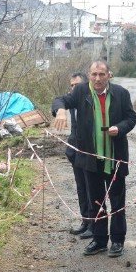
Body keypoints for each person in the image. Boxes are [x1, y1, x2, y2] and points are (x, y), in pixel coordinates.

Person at [53, 60, 136, 257]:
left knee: (117, 202)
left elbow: (131, 118)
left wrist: (120, 128)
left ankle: (117, 241)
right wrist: (61, 110)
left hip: (115, 158)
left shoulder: (121, 94)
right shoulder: (81, 92)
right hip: (90, 159)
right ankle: (99, 240)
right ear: (89, 75)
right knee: (96, 201)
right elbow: (60, 100)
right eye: (94, 74)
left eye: (101, 74)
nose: (97, 78)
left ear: (109, 75)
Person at [51, 73, 94, 239]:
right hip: (75, 152)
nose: (74, 89)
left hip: (90, 153)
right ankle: (85, 221)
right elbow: (57, 100)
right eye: (71, 86)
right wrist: (60, 111)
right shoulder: (72, 101)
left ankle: (94, 224)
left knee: (92, 189)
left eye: (77, 85)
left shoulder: (91, 100)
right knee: (81, 188)